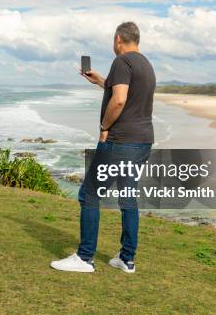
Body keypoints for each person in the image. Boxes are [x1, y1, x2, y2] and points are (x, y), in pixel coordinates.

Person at [50, 21, 155, 273]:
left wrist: (104, 127)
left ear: (118, 39)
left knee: (89, 194)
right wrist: (102, 82)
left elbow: (119, 101)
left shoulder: (122, 61)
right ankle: (127, 259)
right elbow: (126, 94)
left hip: (120, 141)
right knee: (128, 197)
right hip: (143, 141)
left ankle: (85, 258)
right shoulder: (146, 65)